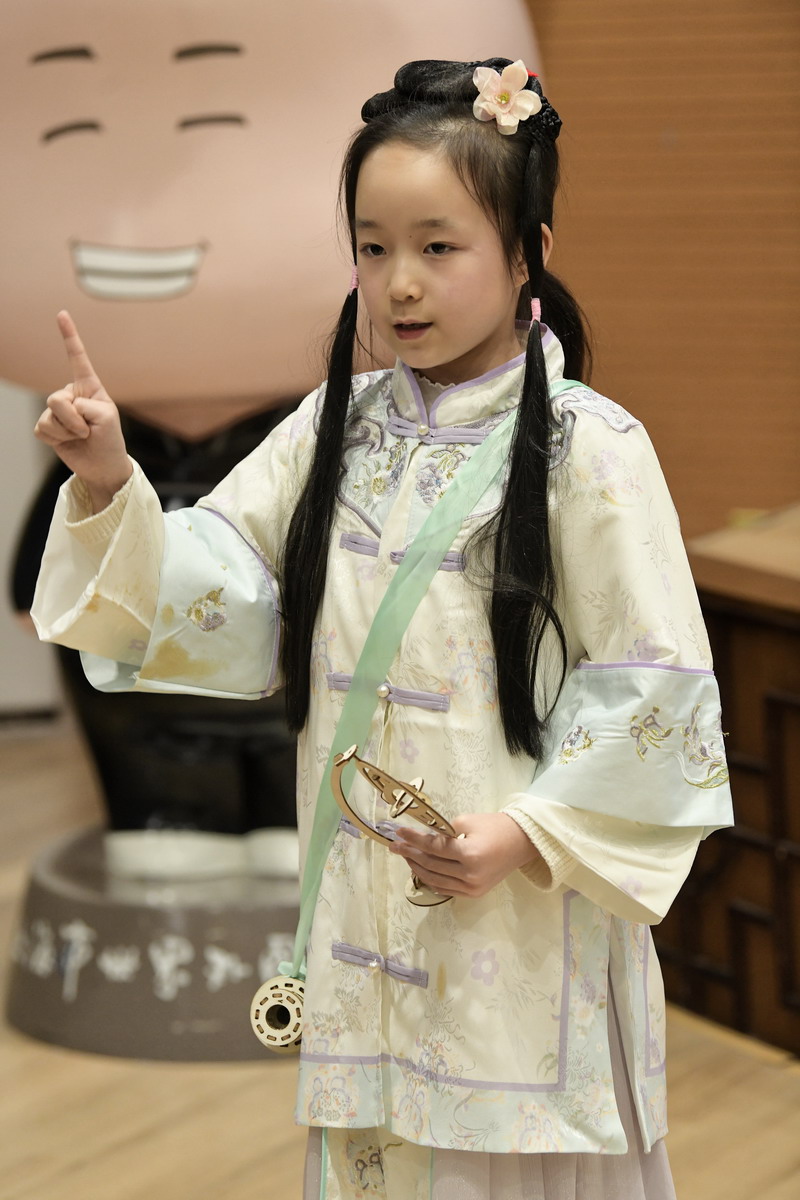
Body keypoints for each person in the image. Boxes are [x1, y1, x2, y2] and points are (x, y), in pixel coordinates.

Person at [32, 58, 733, 1200]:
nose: (398, 284)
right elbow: (226, 589)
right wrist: (111, 480)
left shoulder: (592, 450)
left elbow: (652, 693)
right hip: (364, 907)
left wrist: (525, 836)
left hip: (519, 918)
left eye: (437, 246)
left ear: (528, 253)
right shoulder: (333, 427)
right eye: (371, 248)